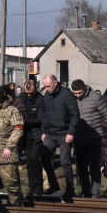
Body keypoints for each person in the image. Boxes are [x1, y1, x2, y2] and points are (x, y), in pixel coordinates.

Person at [70, 80, 107, 197]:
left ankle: (95, 192)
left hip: (94, 135)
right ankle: (85, 191)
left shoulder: (96, 98)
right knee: (81, 166)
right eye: (75, 93)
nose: (77, 95)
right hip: (78, 136)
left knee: (94, 164)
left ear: (84, 89)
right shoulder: (71, 99)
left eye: (79, 93)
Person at [39, 74, 80, 203]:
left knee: (65, 162)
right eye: (45, 86)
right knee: (44, 158)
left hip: (64, 133)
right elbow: (45, 114)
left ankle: (70, 189)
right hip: (50, 133)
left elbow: (75, 115)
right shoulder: (47, 95)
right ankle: (54, 184)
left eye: (48, 86)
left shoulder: (67, 95)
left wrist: (71, 132)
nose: (46, 89)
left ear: (55, 83)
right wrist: (43, 131)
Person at [21, 80, 47, 199]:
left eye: (31, 93)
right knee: (29, 161)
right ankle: (32, 187)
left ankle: (39, 187)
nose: (29, 96)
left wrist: (25, 120)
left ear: (36, 88)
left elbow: (40, 119)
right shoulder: (22, 98)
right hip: (26, 134)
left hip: (37, 134)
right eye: (27, 93)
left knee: (34, 158)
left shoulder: (41, 100)